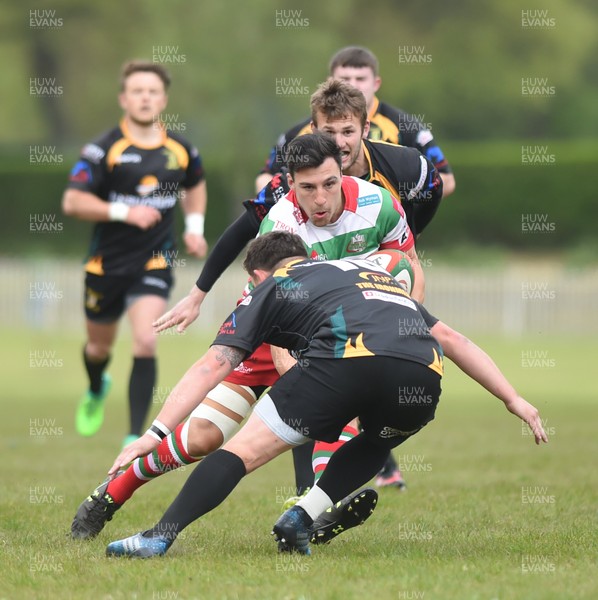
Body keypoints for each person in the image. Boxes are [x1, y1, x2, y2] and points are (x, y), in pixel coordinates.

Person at [89, 231, 547, 558]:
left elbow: (215, 364)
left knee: (243, 451)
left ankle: (158, 536)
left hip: (344, 363)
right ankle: (304, 515)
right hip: (422, 377)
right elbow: (455, 340)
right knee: (377, 440)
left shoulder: (270, 286)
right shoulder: (373, 277)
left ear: (260, 273)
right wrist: (515, 400)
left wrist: (157, 430)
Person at [70, 131, 427, 541]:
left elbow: (410, 266)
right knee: (202, 437)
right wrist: (299, 372)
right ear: (289, 184)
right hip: (266, 335)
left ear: (342, 170)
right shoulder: (281, 224)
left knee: (338, 410)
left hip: (333, 333)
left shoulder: (378, 204)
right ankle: (110, 494)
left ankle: (312, 510)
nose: (322, 200)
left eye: (329, 184)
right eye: (308, 188)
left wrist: (402, 327)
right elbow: (277, 322)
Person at [61, 60, 208, 447]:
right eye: (137, 91)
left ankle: (133, 436)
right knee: (98, 348)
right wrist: (124, 211)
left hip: (154, 260)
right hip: (105, 264)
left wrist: (194, 228)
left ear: (163, 99)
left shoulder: (181, 149)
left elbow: (195, 184)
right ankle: (96, 388)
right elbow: (73, 201)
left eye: (153, 91)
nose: (145, 98)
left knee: (145, 340)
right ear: (124, 98)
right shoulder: (103, 149)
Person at [255, 45, 455, 198]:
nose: (352, 85)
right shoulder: (300, 132)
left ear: (376, 83)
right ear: (330, 81)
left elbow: (445, 180)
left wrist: (400, 212)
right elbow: (265, 179)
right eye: (345, 78)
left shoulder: (405, 126)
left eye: (360, 78)